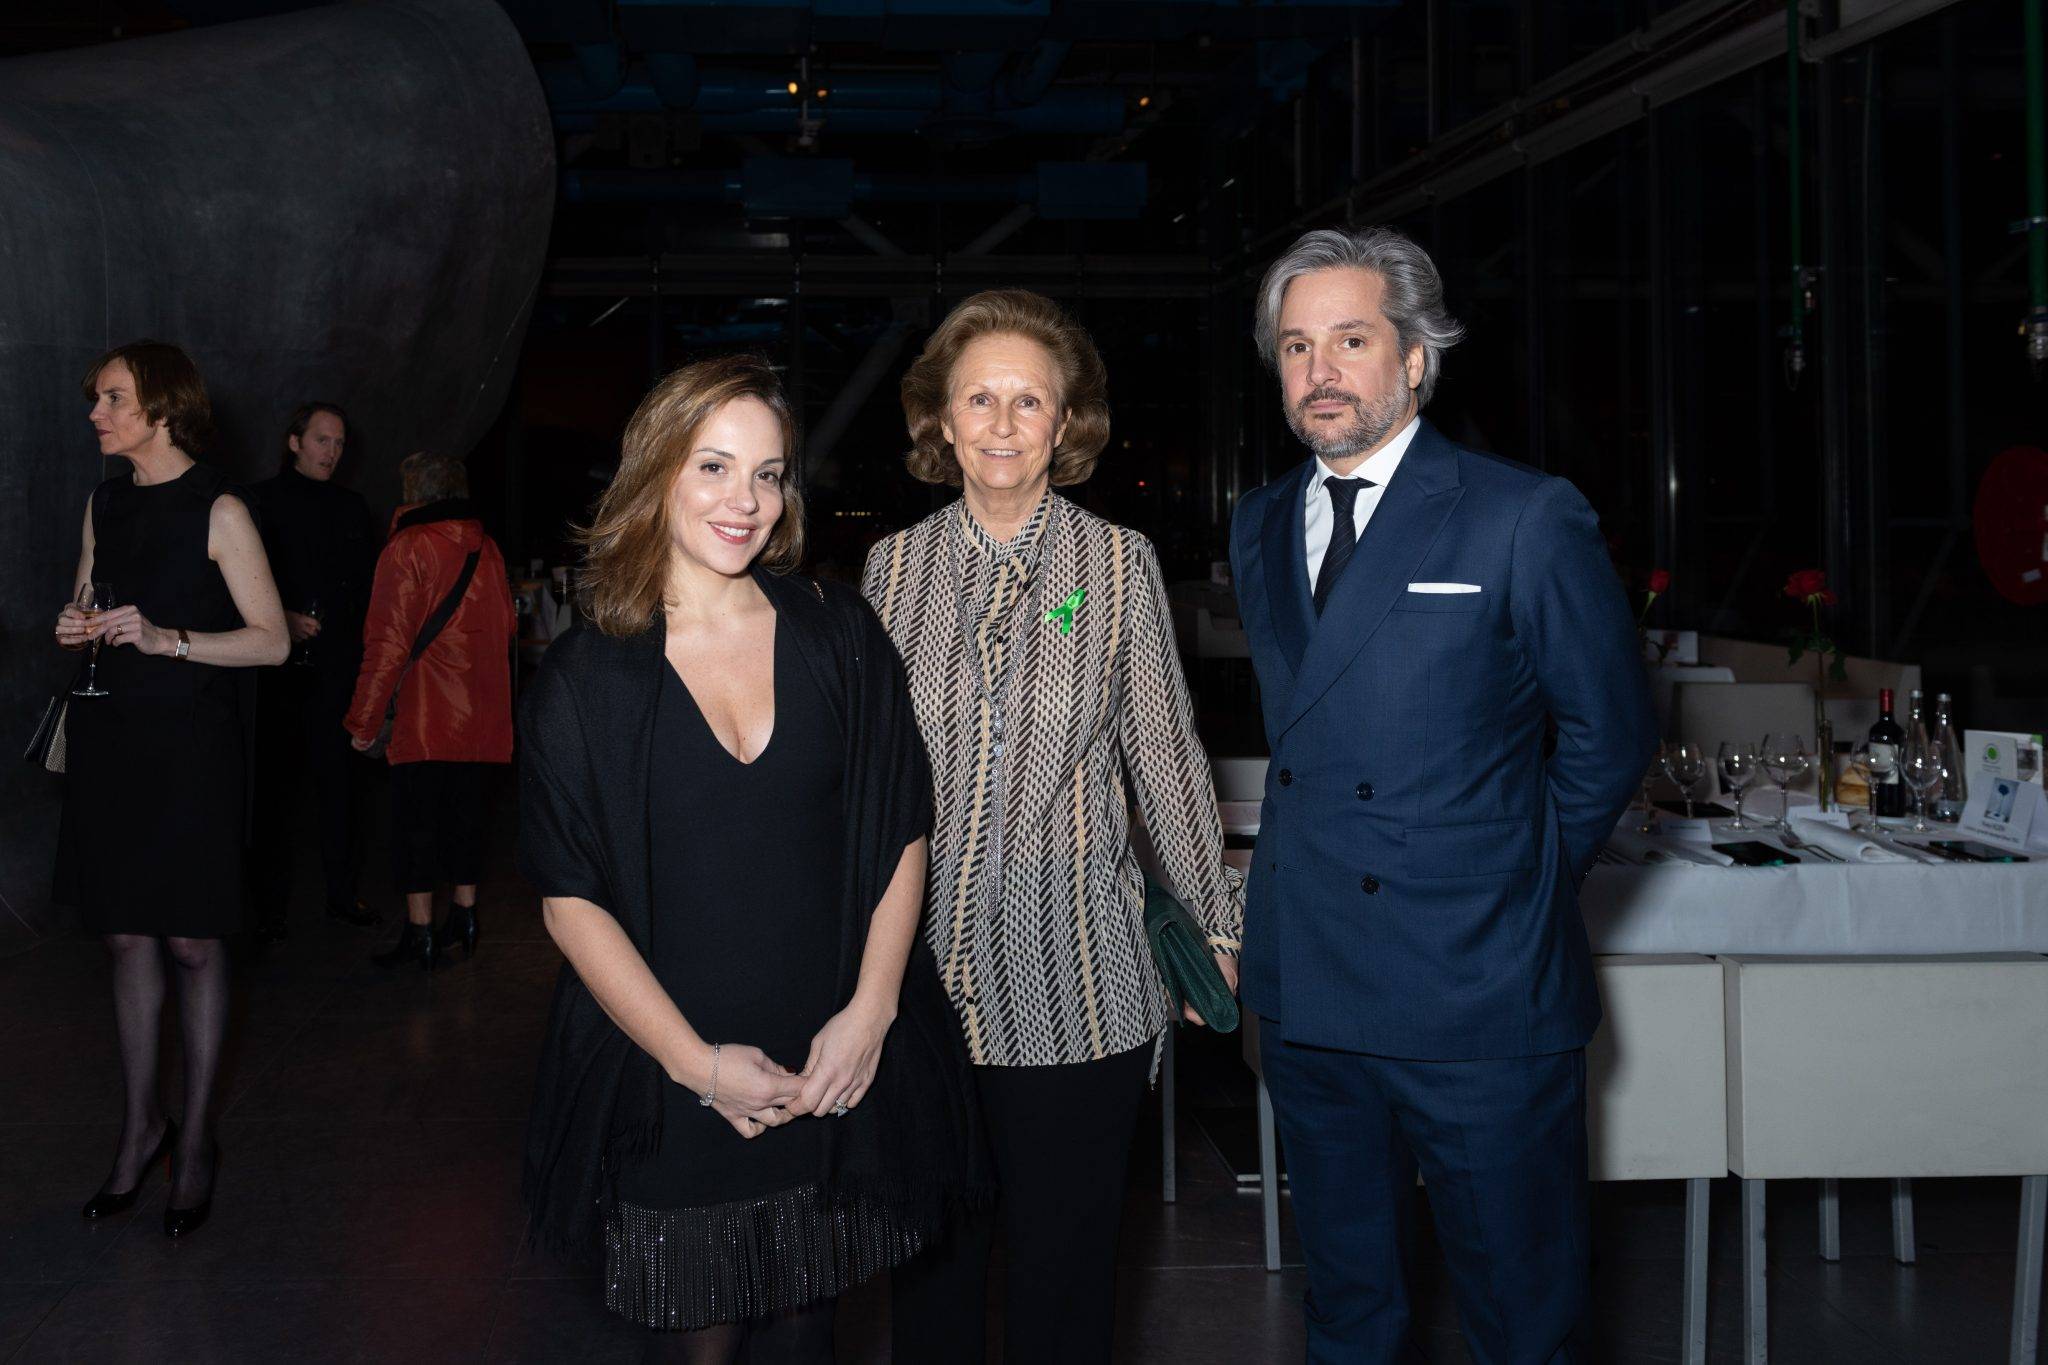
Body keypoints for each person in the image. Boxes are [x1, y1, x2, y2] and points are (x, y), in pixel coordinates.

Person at [1228, 226, 1658, 1363]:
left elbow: (1609, 735)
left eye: (1350, 340)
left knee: (1522, 1320)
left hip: (1476, 988)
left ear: (1414, 358)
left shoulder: (1520, 514)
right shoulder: (1259, 521)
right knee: (1347, 1313)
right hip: (1311, 985)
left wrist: (1511, 880)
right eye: (1296, 347)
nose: (1319, 371)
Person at [519, 355, 989, 1362]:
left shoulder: (837, 632)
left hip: (826, 1066)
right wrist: (697, 1068)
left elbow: (901, 824)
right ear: (656, 472)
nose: (746, 500)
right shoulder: (587, 673)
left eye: (768, 474)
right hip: (669, 1071)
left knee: (806, 1336)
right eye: (714, 467)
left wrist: (871, 1013)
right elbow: (569, 901)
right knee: (696, 1342)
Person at [863, 289, 1244, 1365]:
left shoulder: (1115, 565)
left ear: (1066, 423)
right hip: (917, 983)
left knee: (1063, 1286)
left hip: (1076, 980)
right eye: (977, 398)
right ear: (939, 420)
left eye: (1027, 400)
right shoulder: (892, 569)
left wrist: (1214, 923)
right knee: (930, 1278)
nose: (1000, 422)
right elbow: (864, 776)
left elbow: (1165, 754)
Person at [52, 340, 291, 1238]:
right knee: (124, 936)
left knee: (192, 942)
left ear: (161, 408)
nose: (96, 413)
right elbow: (86, 605)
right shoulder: (105, 502)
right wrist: (74, 624)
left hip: (191, 750)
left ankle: (193, 1141)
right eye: (97, 398)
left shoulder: (220, 508)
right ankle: (139, 1127)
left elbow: (272, 640)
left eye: (112, 398)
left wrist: (169, 640)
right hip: (112, 740)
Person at [344, 452, 515, 969]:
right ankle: (465, 917)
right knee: (468, 822)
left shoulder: (407, 547)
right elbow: (508, 626)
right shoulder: (488, 547)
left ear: (413, 490)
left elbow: (387, 643)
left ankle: (419, 933)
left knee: (414, 828)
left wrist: (364, 721)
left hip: (425, 715)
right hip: (484, 714)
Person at [249, 402, 379, 937]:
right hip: (275, 674)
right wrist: (278, 617)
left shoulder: (353, 508)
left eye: (339, 443)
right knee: (272, 794)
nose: (332, 451)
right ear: (295, 442)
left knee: (340, 787)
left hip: (335, 671)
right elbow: (233, 586)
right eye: (323, 440)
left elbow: (368, 593)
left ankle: (342, 895)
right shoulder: (258, 502)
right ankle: (266, 908)